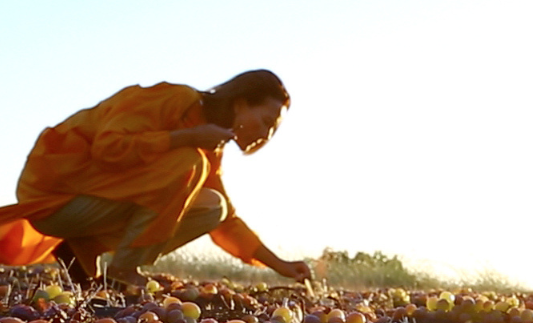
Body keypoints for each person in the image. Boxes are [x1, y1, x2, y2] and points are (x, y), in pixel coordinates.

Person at [0, 70, 312, 289]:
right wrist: (184, 138)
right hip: (55, 192)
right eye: (266, 121)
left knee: (211, 206)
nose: (266, 135)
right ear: (241, 103)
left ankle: (82, 247)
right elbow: (109, 147)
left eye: (274, 130)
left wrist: (279, 265)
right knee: (188, 162)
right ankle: (123, 269)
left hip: (90, 204)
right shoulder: (175, 101)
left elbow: (224, 221)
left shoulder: (208, 145)